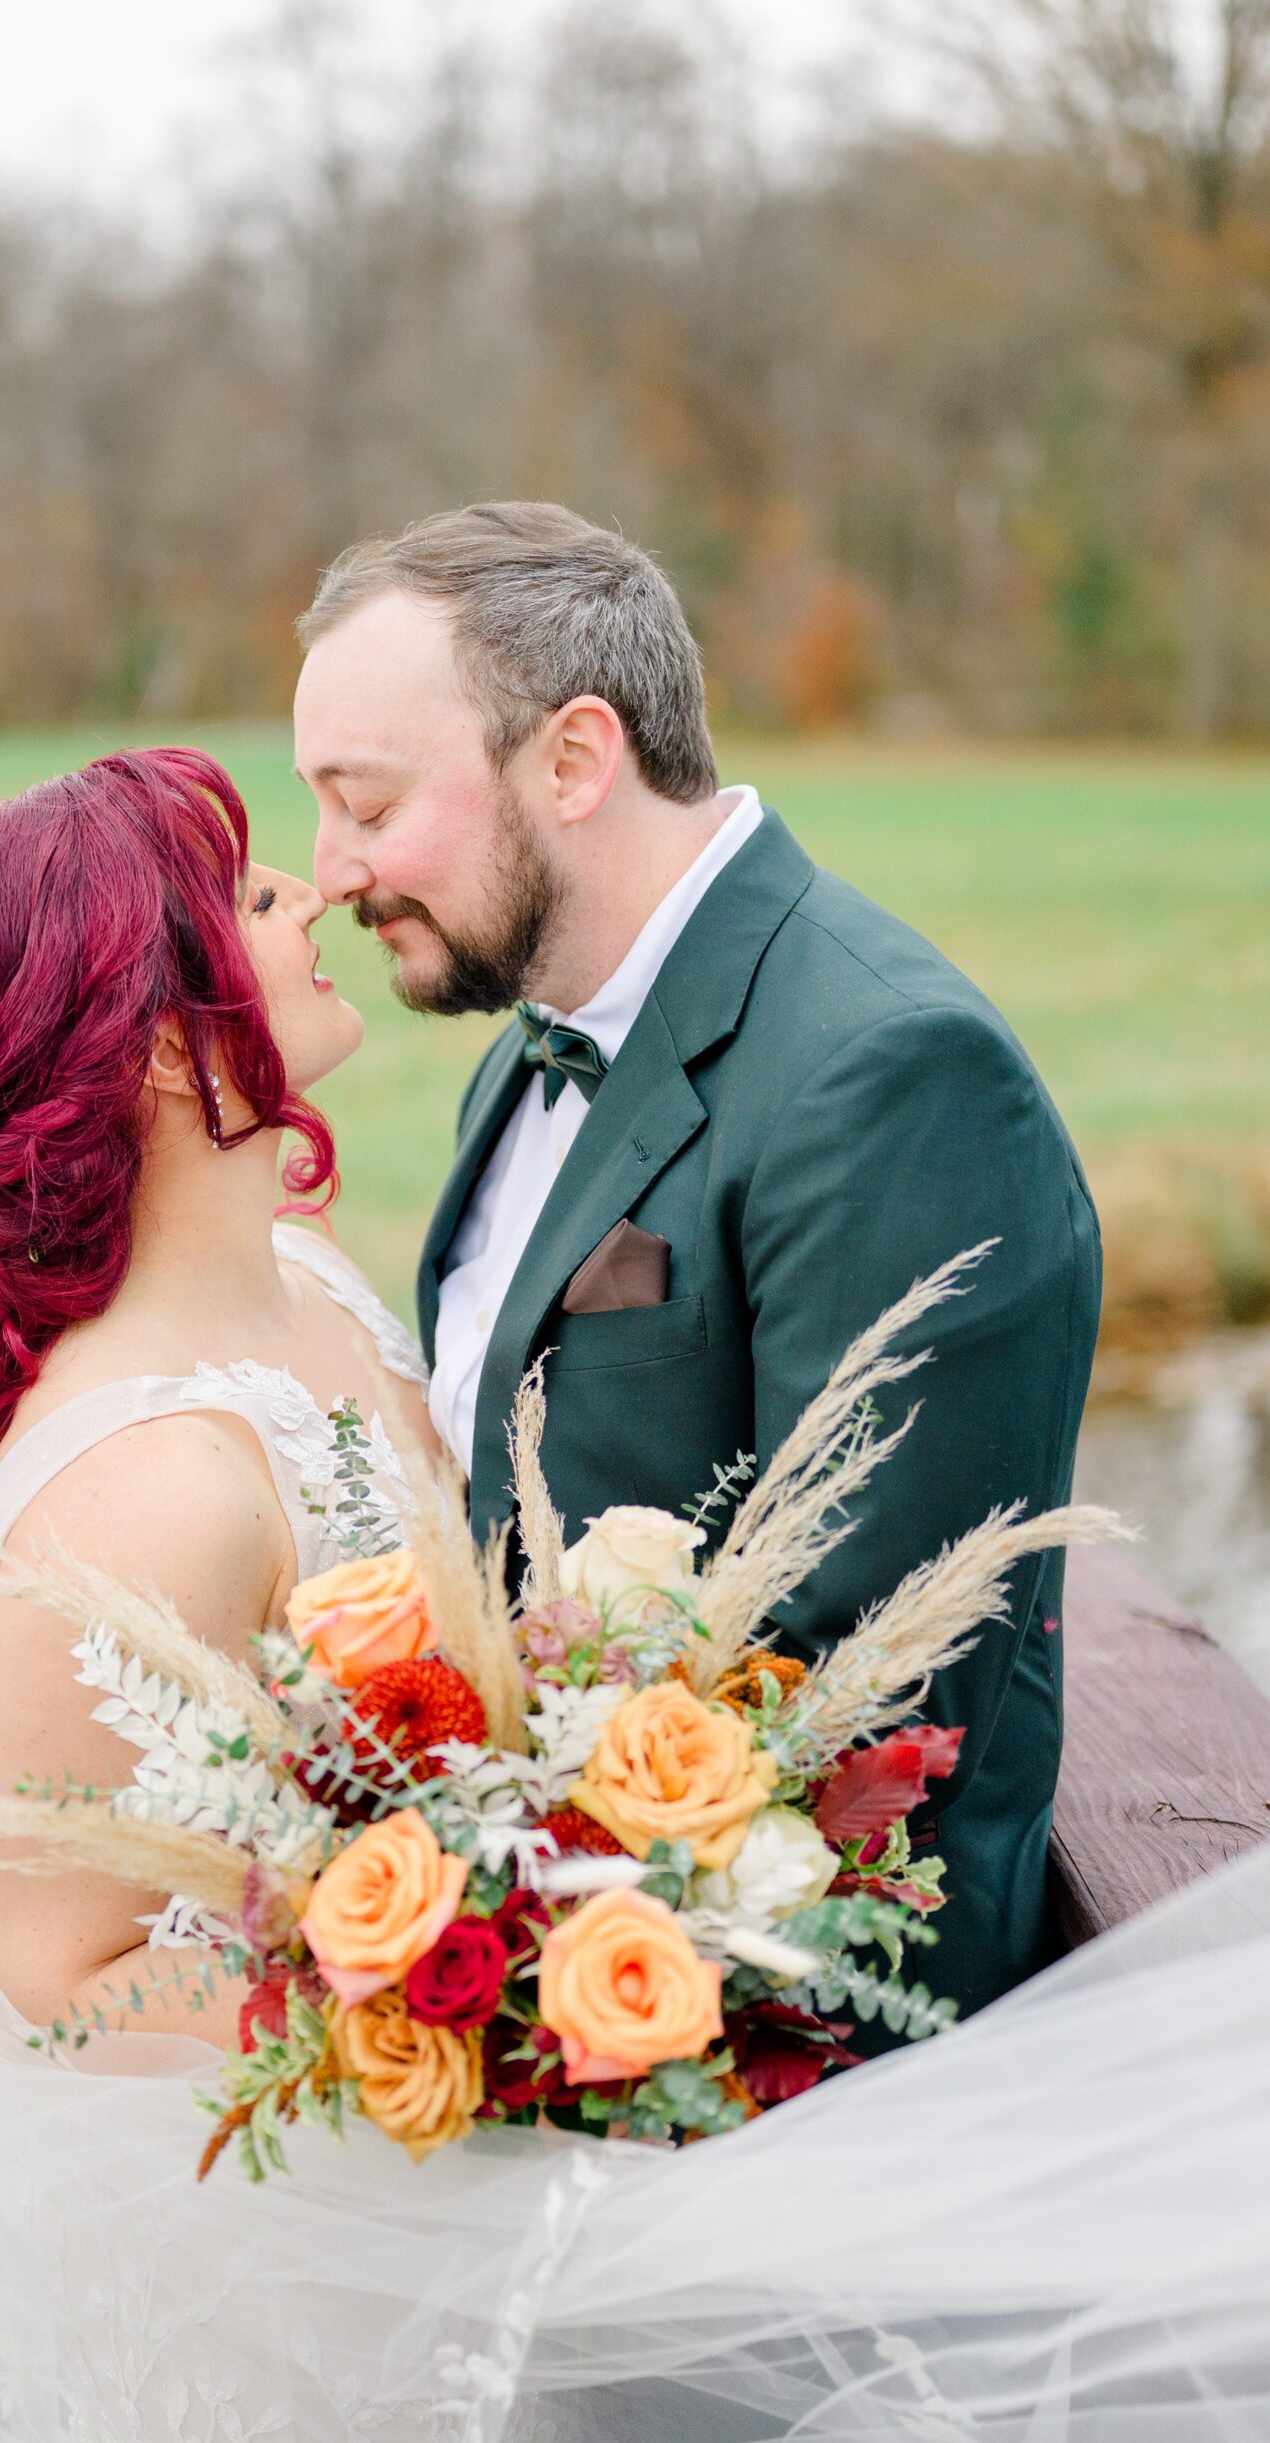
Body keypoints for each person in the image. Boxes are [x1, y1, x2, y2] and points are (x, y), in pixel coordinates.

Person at [0, 743, 1270, 2443]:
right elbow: (54, 1968)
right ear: (148, 1038)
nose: (302, 891)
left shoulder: (305, 1287)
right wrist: (470, 2025)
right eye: (244, 892)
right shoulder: (146, 1483)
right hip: (297, 2262)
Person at [293, 501, 1102, 2022]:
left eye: (369, 802)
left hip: (788, 2031)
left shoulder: (894, 1076)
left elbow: (871, 1687)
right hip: (549, 1972)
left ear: (576, 762)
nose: (331, 868)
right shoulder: (527, 1049)